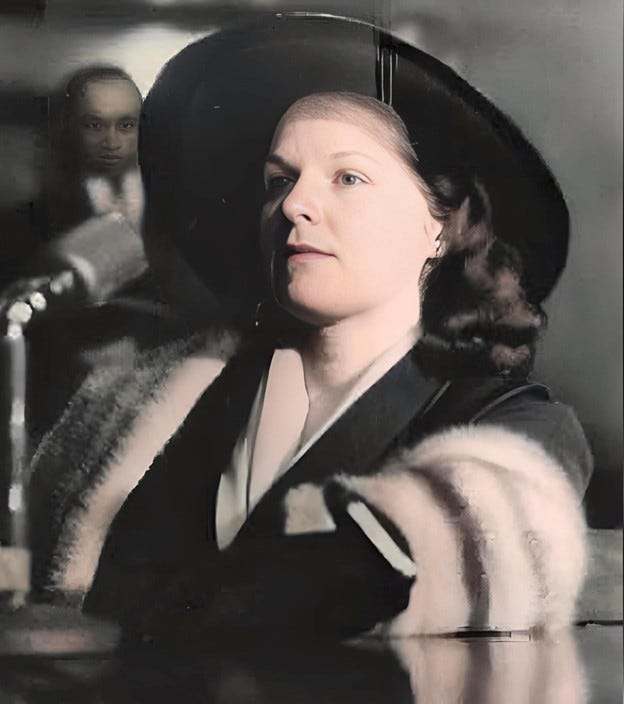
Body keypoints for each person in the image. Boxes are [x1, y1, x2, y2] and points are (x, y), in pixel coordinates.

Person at [27, 18, 592, 643]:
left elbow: (359, 589)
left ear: (445, 225)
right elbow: (116, 593)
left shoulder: (514, 430)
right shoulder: (205, 402)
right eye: (279, 180)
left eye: (347, 177)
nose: (294, 205)